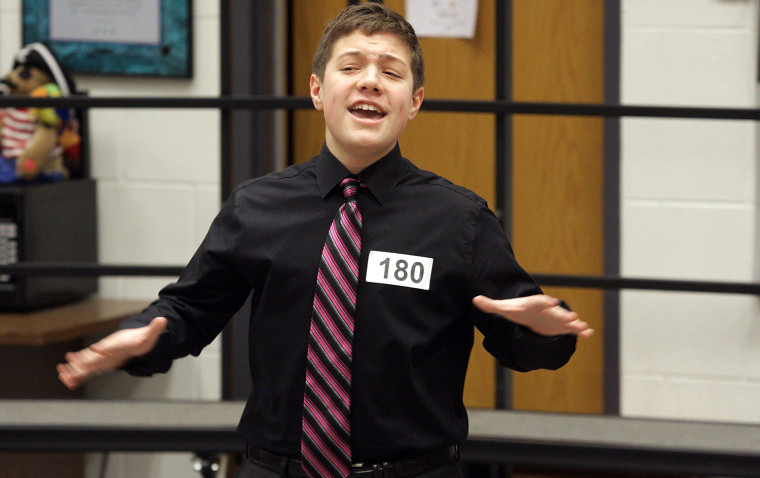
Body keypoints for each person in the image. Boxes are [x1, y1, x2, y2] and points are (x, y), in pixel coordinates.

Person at [57, 4, 593, 478]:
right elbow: (189, 309)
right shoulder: (257, 208)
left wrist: (544, 330)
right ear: (318, 90)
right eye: (352, 66)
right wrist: (140, 337)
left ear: (415, 102)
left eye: (391, 72)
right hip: (276, 467)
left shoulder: (459, 219)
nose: (371, 81)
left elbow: (522, 339)